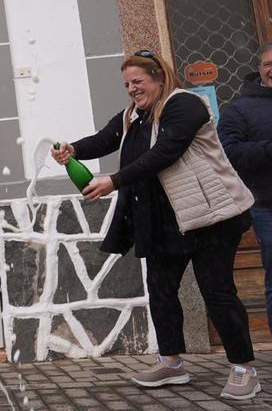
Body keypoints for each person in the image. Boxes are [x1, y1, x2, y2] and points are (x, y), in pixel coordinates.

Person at [51, 50, 258, 400]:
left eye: (138, 81)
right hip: (163, 220)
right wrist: (74, 149)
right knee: (161, 292)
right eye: (127, 84)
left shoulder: (185, 105)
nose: (132, 89)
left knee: (217, 292)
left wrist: (113, 181)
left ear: (159, 77)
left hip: (210, 217)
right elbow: (105, 139)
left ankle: (243, 369)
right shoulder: (134, 114)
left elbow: (165, 152)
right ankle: (172, 363)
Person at [219, 42, 272, 333]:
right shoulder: (239, 109)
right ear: (260, 69)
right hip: (267, 206)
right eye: (267, 63)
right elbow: (229, 154)